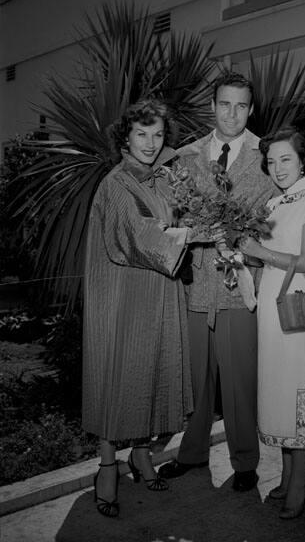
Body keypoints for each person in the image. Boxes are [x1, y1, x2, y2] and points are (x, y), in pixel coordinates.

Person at [82, 98, 207, 518]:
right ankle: (106, 465)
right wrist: (192, 232)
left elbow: (180, 208)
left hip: (159, 292)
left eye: (157, 134)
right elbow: (136, 235)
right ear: (126, 137)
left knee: (151, 373)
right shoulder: (116, 184)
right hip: (123, 299)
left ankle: (140, 454)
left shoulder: (162, 179)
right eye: (141, 134)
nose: (151, 143)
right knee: (119, 376)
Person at [159, 72, 276, 492]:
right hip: (194, 287)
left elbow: (280, 214)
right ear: (213, 105)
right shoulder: (186, 156)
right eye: (225, 104)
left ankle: (245, 462)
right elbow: (170, 217)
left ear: (251, 109)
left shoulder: (267, 156)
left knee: (240, 381)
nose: (232, 114)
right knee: (196, 382)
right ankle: (191, 454)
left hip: (240, 285)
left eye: (241, 106)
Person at [239, 126, 305, 519]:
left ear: (302, 160)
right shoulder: (273, 205)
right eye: (271, 161)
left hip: (294, 309)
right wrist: (241, 257)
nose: (277, 168)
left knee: (296, 395)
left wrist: (258, 250)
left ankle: (300, 480)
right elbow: (265, 256)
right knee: (276, 393)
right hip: (268, 310)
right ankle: (287, 474)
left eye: (286, 159)